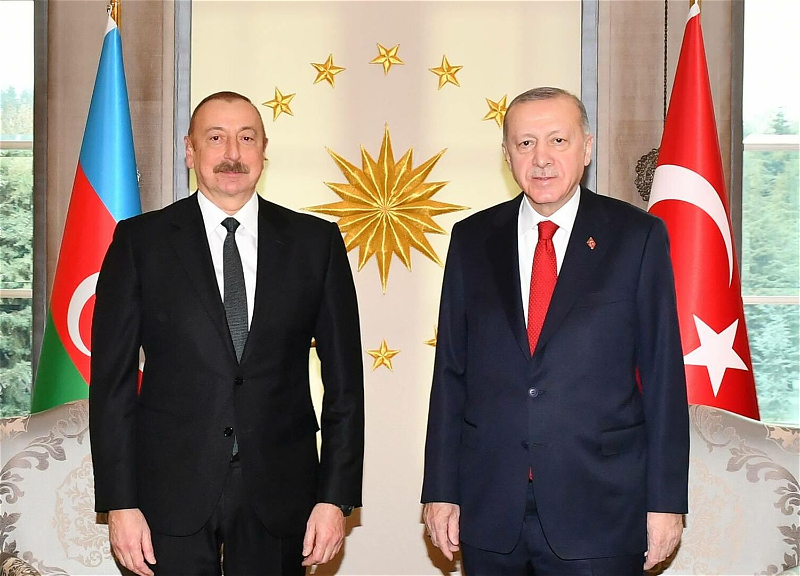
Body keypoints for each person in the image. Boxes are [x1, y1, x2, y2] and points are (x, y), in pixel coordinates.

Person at [89, 91, 364, 576]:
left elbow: (346, 386)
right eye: (215, 138)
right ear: (190, 150)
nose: (232, 153)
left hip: (282, 495)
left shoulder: (315, 243)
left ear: (264, 151)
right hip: (167, 495)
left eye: (246, 138)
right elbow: (112, 384)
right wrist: (120, 502)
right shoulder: (140, 242)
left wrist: (334, 498)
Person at [421, 87, 689, 576]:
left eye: (558, 140)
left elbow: (664, 377)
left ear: (586, 148)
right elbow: (450, 373)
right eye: (525, 143)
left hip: (601, 507)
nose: (541, 158)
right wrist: (440, 490)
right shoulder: (472, 239)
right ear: (507, 155)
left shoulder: (637, 237)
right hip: (490, 506)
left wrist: (666, 502)